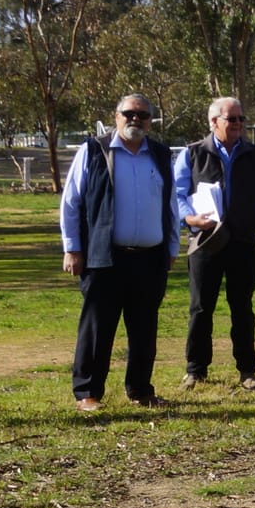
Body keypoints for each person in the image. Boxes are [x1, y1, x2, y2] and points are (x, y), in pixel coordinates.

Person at [59, 94, 177, 412]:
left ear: (151, 121)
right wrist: (72, 248)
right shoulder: (94, 150)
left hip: (150, 258)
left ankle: (140, 389)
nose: (135, 119)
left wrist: (172, 246)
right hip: (104, 258)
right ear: (116, 117)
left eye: (143, 115)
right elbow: (71, 202)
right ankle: (88, 393)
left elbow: (170, 204)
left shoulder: (161, 155)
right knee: (98, 328)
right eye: (129, 113)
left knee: (144, 329)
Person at [174, 96, 255, 390]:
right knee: (200, 309)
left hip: (244, 243)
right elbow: (177, 195)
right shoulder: (193, 154)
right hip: (205, 243)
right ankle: (196, 369)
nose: (237, 125)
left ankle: (248, 371)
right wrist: (190, 219)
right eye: (231, 119)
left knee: (242, 308)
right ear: (213, 122)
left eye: (241, 119)